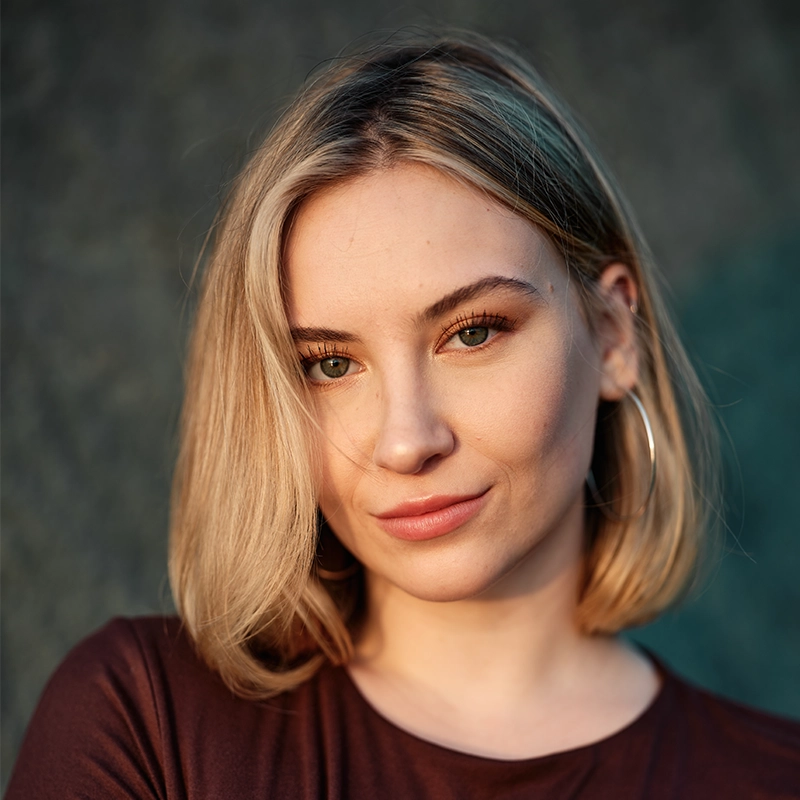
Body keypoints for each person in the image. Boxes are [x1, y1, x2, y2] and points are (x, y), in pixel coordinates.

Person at [8, 29, 800, 799]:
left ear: (613, 335)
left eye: (473, 332)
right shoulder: (146, 725)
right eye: (330, 364)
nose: (406, 440)